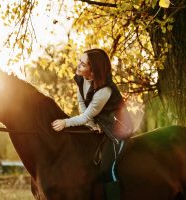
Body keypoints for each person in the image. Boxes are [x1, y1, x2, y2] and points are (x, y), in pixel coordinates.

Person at [52, 48, 133, 199]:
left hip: (118, 128)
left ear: (93, 71)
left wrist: (65, 122)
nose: (78, 65)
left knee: (107, 169)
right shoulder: (81, 78)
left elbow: (85, 116)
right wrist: (91, 122)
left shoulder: (104, 91)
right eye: (79, 61)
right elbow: (82, 102)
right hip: (101, 121)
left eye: (83, 64)